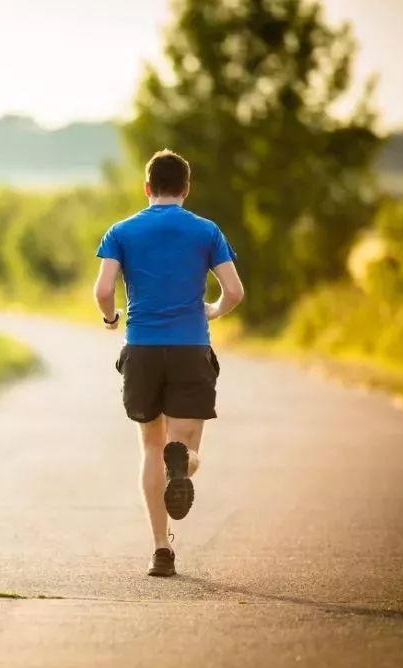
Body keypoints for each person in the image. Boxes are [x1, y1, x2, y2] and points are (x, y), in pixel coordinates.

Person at [93, 149, 244, 578]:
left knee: (150, 447)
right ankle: (186, 464)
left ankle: (161, 551)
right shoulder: (205, 230)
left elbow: (104, 289)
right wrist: (212, 310)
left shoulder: (121, 231)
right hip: (189, 348)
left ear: (147, 188)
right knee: (184, 447)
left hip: (141, 349)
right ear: (186, 188)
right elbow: (233, 292)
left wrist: (110, 318)